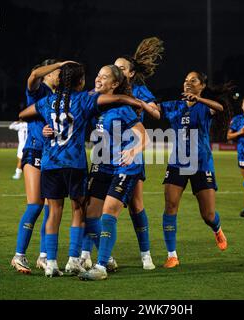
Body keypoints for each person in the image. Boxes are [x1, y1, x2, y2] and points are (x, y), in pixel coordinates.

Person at [19, 62, 146, 277]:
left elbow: (23, 114)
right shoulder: (84, 100)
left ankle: (50, 263)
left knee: (54, 212)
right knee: (79, 211)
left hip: (50, 164)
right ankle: (73, 260)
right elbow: (113, 99)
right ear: (81, 82)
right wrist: (134, 100)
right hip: (75, 164)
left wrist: (44, 127)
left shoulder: (47, 101)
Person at [80, 37, 164, 271]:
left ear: (127, 75)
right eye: (113, 66)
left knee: (135, 205)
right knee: (93, 209)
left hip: (127, 157)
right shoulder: (100, 95)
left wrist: (140, 105)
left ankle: (144, 254)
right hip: (103, 157)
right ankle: (87, 254)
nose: (116, 69)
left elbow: (153, 119)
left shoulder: (135, 94)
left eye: (121, 68)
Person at [78, 65, 149, 281]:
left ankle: (100, 267)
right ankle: (107, 257)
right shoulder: (95, 105)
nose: (98, 79)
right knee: (90, 214)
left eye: (104, 77)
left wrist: (134, 150)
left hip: (125, 164)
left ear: (115, 84)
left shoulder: (122, 109)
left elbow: (144, 136)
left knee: (109, 212)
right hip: (103, 163)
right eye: (97, 75)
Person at [156, 71, 228, 269]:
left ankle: (217, 228)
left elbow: (220, 108)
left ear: (202, 85)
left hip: (201, 163)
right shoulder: (174, 106)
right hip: (177, 162)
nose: (187, 83)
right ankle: (172, 255)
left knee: (208, 215)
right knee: (170, 206)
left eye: (193, 80)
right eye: (185, 80)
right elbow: (154, 109)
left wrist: (199, 99)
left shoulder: (204, 107)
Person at [11, 59, 73, 274]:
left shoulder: (60, 96)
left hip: (53, 155)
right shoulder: (39, 91)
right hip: (35, 151)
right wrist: (61, 63)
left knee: (51, 206)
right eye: (57, 71)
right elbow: (33, 75)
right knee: (35, 204)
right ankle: (19, 256)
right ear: (47, 73)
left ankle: (44, 256)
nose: (60, 74)